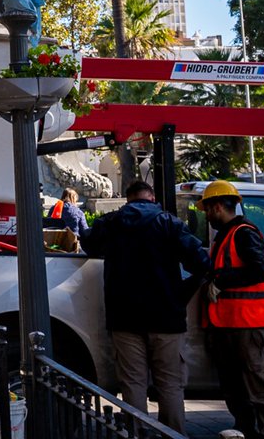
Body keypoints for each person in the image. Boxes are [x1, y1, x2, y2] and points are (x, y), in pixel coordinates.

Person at [80, 181, 209, 433]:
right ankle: (173, 434)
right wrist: (182, 292)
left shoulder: (112, 222)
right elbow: (202, 262)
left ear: (128, 199)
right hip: (167, 318)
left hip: (124, 318)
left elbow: (88, 244)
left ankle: (136, 433)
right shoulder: (169, 223)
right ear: (152, 197)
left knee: (133, 384)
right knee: (170, 384)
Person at [199, 180, 264, 439]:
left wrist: (221, 281)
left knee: (257, 383)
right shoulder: (225, 235)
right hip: (228, 324)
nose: (206, 215)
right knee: (234, 385)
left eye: (206, 210)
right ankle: (246, 429)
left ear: (216, 207)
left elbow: (259, 270)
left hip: (249, 323)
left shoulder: (244, 232)